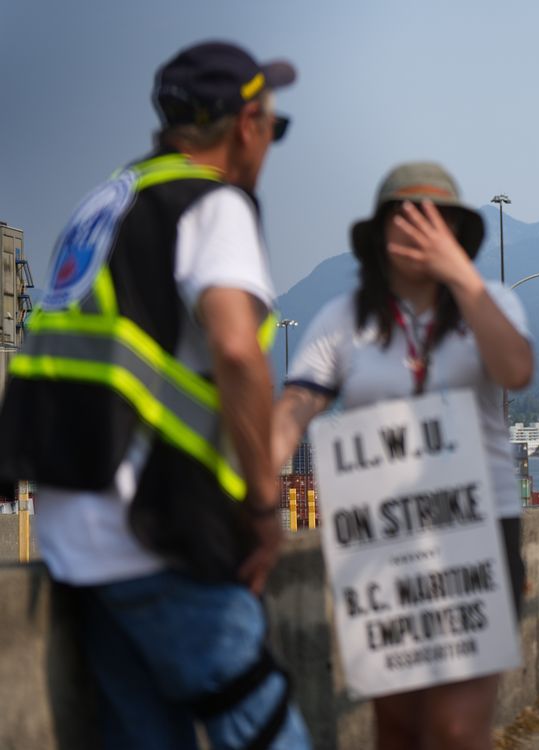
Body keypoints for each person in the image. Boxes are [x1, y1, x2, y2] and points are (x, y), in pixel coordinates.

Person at [0, 41, 310, 748]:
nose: (270, 141)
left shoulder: (103, 203)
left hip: (77, 540)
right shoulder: (211, 203)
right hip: (158, 534)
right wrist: (264, 507)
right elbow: (235, 347)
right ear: (244, 126)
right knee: (264, 728)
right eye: (273, 124)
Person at [272, 162, 533, 750]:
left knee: (456, 729)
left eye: (434, 221)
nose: (418, 232)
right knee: (397, 729)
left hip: (479, 531)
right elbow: (294, 407)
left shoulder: (491, 303)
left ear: (457, 234)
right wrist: (260, 478)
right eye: (403, 219)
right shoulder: (344, 319)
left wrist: (460, 280)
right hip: (382, 538)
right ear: (379, 236)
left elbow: (516, 369)